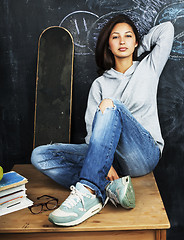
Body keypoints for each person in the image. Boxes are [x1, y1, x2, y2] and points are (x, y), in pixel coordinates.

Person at [31, 14, 174, 227]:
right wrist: (104, 165)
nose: (123, 41)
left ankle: (89, 191)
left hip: (143, 154)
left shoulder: (149, 68)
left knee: (110, 105)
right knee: (40, 155)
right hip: (111, 159)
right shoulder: (99, 84)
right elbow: (91, 132)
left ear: (135, 41)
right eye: (116, 37)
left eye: (128, 36)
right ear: (108, 44)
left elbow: (167, 29)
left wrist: (141, 47)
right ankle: (108, 186)